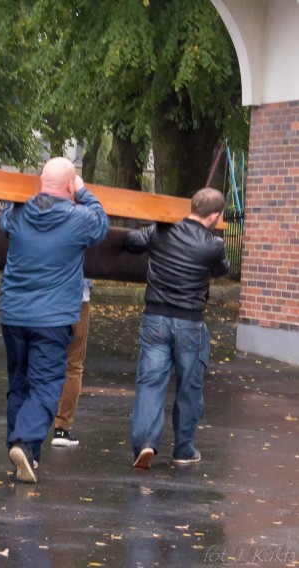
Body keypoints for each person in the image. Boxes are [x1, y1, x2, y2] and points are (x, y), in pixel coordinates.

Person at [0, 157, 108, 483]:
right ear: (70, 185)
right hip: (52, 317)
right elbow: (102, 224)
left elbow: (3, 221)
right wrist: (84, 192)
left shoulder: (18, 214)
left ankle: (26, 454)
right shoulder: (79, 219)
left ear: (40, 181)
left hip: (13, 314)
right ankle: (23, 441)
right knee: (47, 386)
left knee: (19, 383)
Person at [123, 188, 229, 470]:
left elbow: (132, 241)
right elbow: (221, 270)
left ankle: (145, 443)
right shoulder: (213, 244)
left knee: (150, 383)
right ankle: (183, 450)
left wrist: (157, 228)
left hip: (155, 318)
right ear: (215, 216)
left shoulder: (161, 232)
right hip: (190, 323)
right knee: (189, 387)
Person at [51, 279, 92, 448]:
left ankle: (29, 430)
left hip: (47, 297)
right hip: (78, 298)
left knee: (42, 361)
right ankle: (62, 427)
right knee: (73, 365)